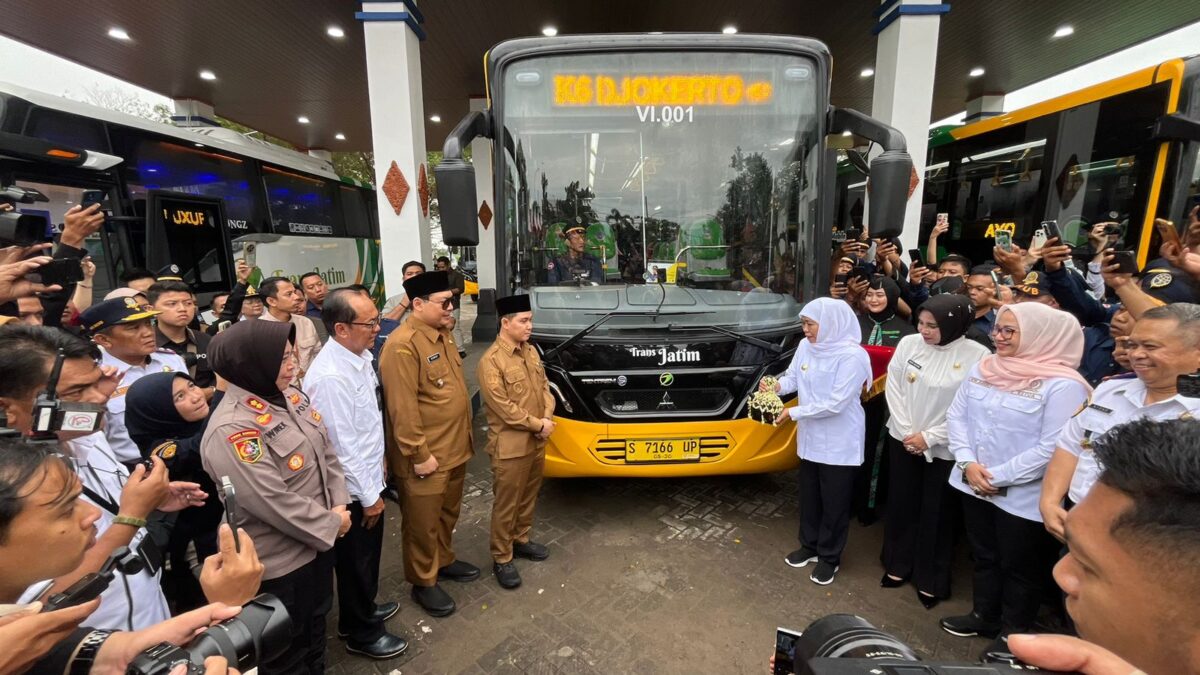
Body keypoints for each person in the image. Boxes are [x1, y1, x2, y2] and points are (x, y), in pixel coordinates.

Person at [0, 325, 206, 631]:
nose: (100, 398)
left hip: (152, 624)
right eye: (76, 392)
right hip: (94, 646)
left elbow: (117, 503)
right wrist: (131, 518)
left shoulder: (89, 437)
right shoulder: (12, 486)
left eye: (96, 383)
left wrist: (154, 500)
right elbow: (36, 605)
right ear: (7, 408)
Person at [0, 439, 248, 675]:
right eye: (66, 509)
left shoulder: (20, 631)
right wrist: (230, 602)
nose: (93, 514)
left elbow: (59, 652)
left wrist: (130, 647)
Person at [200, 319, 351, 675]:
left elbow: (325, 449)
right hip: (279, 563)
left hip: (318, 545)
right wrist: (333, 523)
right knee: (284, 650)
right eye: (282, 359)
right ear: (251, 364)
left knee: (317, 624)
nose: (293, 367)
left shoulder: (290, 395)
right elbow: (271, 501)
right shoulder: (232, 428)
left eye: (292, 356)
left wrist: (339, 501)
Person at [940, 303, 1091, 655]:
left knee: (1019, 565)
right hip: (971, 479)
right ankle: (984, 614)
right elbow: (957, 415)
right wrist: (967, 463)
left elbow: (1055, 446)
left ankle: (1014, 633)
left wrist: (998, 476)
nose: (999, 337)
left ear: (1040, 335)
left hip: (1021, 495)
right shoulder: (986, 367)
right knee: (984, 554)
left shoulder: (1064, 386)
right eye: (997, 329)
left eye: (1010, 331)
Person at [1041, 303, 1200, 542]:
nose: (1135, 354)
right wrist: (1050, 501)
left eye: (1150, 346)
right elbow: (1071, 445)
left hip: (1154, 540)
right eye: (1132, 344)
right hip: (1076, 518)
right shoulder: (1109, 390)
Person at [305, 289, 407, 659]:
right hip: (351, 490)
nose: (377, 328)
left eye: (377, 319)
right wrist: (370, 497)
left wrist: (379, 462)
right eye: (370, 323)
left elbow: (365, 424)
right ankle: (361, 633)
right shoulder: (331, 377)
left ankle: (360, 610)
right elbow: (340, 448)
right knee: (356, 560)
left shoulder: (358, 357)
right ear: (341, 329)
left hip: (368, 475)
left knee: (366, 559)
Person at [379, 270, 479, 617]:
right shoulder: (402, 346)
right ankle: (423, 581)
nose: (452, 308)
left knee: (447, 512)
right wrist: (419, 454)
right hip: (426, 456)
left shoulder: (443, 334)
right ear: (417, 304)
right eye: (445, 302)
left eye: (453, 301)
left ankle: (444, 559)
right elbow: (402, 410)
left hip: (454, 448)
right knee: (421, 522)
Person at [880, 294, 990, 609]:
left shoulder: (977, 355)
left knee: (938, 512)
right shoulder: (909, 344)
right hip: (903, 439)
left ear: (955, 324)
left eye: (933, 325)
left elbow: (971, 408)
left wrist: (930, 437)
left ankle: (931, 578)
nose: (925, 330)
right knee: (902, 503)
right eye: (922, 323)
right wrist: (906, 431)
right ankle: (896, 564)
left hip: (947, 448)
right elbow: (895, 387)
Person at [765, 297, 872, 586]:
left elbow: (836, 403)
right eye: (803, 324)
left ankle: (829, 557)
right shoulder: (805, 347)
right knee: (810, 495)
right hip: (811, 436)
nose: (806, 331)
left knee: (834, 502)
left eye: (810, 324)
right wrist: (776, 385)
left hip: (839, 440)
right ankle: (809, 545)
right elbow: (793, 379)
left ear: (831, 324)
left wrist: (793, 412)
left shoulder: (852, 356)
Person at [126, 371, 225, 610]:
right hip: (197, 545)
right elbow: (203, 444)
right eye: (180, 396)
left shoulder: (198, 422)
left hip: (223, 527)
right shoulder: (158, 450)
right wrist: (222, 391)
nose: (195, 396)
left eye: (192, 386)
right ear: (157, 410)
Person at [477, 294, 555, 590]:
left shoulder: (530, 352)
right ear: (505, 323)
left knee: (529, 495)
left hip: (537, 441)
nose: (529, 326)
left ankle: (521, 539)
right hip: (510, 447)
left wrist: (546, 417)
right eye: (523, 321)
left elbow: (545, 387)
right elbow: (503, 408)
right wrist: (539, 424)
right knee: (506, 504)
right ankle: (502, 556)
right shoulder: (490, 362)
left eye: (531, 320)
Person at [80, 297, 188, 466]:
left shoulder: (171, 360)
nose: (147, 332)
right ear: (104, 340)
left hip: (186, 454)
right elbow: (88, 439)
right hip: (133, 468)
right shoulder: (91, 376)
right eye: (133, 328)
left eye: (148, 323)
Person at [854, 276, 915, 524]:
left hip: (886, 406)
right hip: (852, 401)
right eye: (869, 294)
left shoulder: (906, 331)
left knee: (877, 453)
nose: (873, 299)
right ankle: (849, 500)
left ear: (891, 297)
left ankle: (869, 504)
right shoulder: (854, 324)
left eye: (880, 295)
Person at [149, 280, 217, 390]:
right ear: (151, 310)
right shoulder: (145, 346)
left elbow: (223, 376)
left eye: (188, 303)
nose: (182, 309)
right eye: (172, 304)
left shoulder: (206, 340)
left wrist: (209, 391)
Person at [258, 277, 321, 383]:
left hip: (310, 389)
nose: (296, 297)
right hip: (282, 392)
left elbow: (318, 356)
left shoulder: (305, 323)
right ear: (271, 301)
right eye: (289, 294)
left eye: (295, 292)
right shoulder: (259, 330)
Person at [435, 256, 468, 356]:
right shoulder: (436, 276)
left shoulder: (457, 275)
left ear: (448, 265)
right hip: (439, 305)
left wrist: (446, 292)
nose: (441, 269)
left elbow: (460, 289)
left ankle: (460, 349)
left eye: (443, 267)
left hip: (453, 304)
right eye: (439, 267)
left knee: (455, 326)